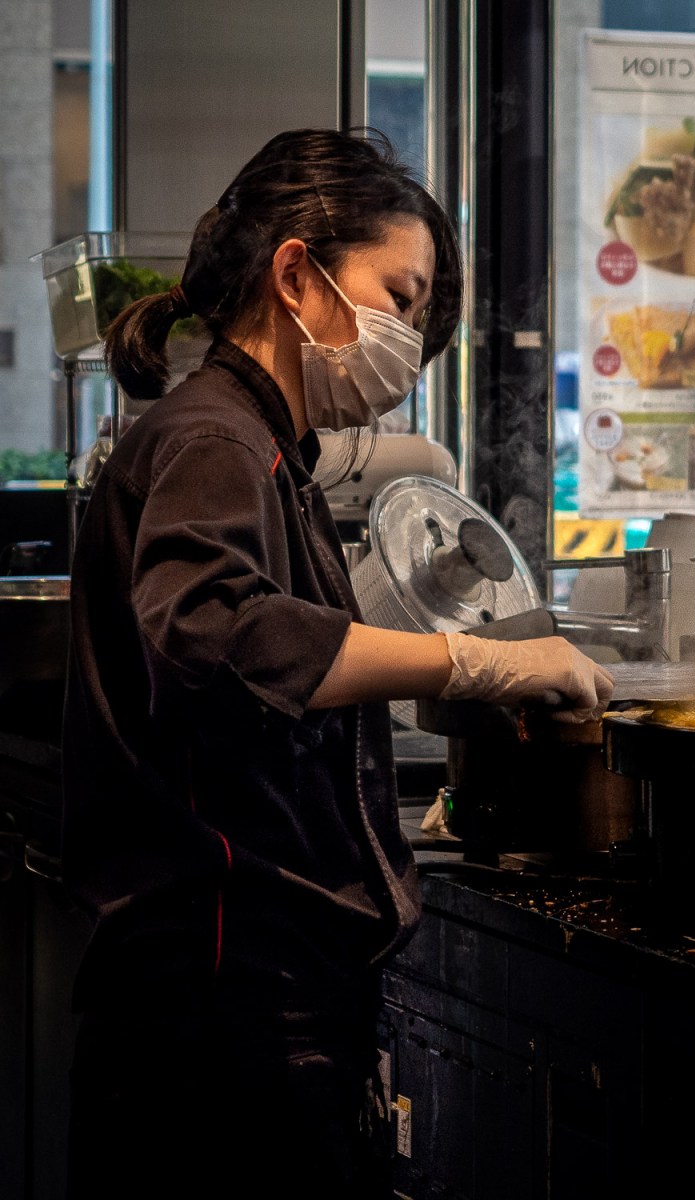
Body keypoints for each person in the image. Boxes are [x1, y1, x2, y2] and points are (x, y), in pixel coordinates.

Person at [61, 126, 614, 1200]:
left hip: (231, 998)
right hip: (220, 1007)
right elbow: (212, 632)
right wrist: (468, 664)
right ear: (295, 274)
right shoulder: (216, 440)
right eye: (396, 296)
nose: (407, 333)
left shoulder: (261, 446)